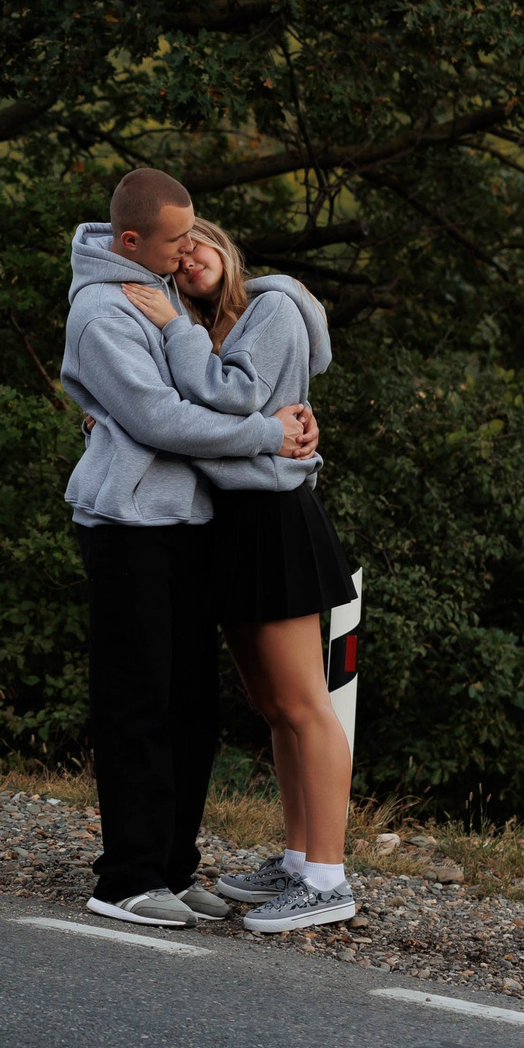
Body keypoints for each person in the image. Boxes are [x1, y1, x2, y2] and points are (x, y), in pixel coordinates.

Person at [59, 170, 317, 928]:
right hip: (127, 528)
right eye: (176, 239)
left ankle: (172, 867)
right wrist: (268, 434)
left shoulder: (161, 288)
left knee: (192, 709)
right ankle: (126, 878)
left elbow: (219, 378)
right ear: (130, 239)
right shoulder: (102, 309)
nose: (188, 249)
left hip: (189, 523)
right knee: (137, 703)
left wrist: (288, 424)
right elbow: (161, 419)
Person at [118, 218, 360, 932]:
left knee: (305, 701)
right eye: (177, 253)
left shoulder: (274, 307)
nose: (189, 256)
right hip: (234, 523)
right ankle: (297, 858)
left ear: (222, 243)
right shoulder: (205, 330)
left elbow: (230, 398)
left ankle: (328, 878)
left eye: (196, 240)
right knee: (274, 706)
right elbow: (177, 411)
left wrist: (172, 329)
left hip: (275, 520)